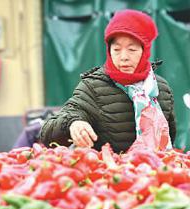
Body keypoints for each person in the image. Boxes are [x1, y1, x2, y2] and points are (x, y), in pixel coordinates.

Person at [40, 9, 176, 153]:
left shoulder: (160, 88)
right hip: (109, 172)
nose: (124, 57)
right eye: (117, 49)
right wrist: (72, 124)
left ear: (145, 51)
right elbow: (47, 133)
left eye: (132, 49)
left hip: (155, 172)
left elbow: (169, 140)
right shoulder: (93, 86)